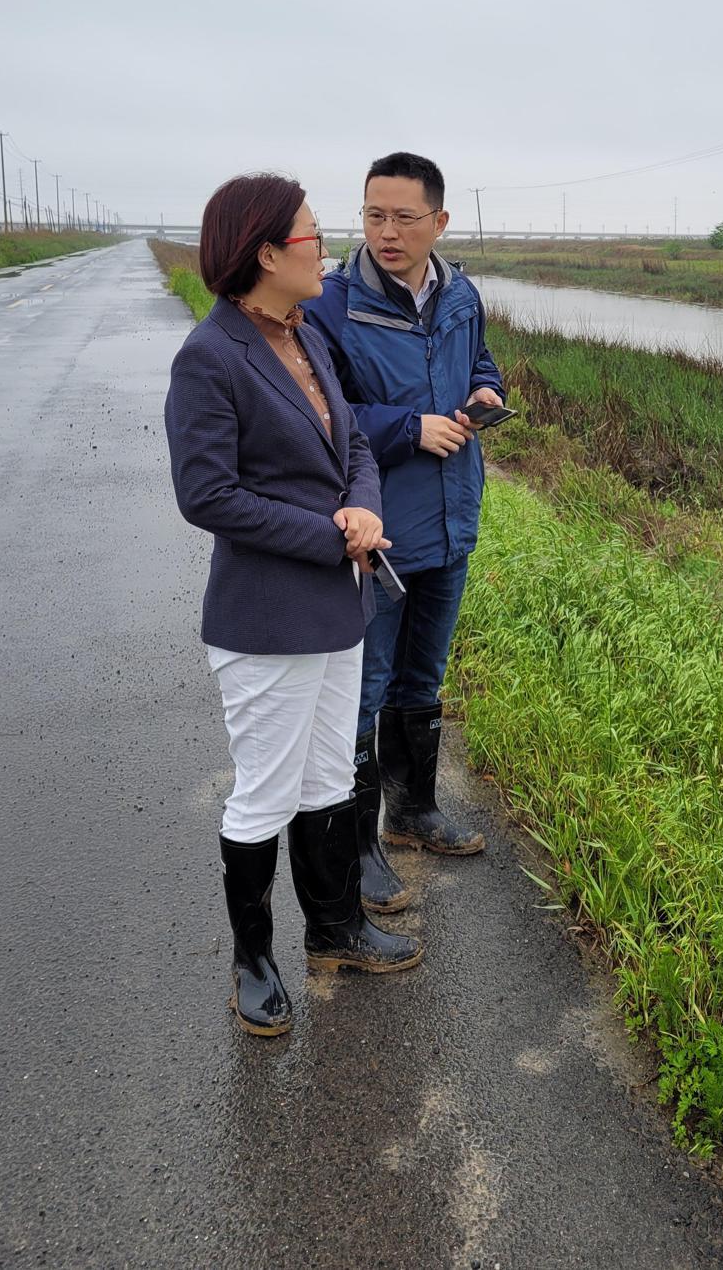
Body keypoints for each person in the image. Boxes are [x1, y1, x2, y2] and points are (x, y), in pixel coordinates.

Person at [164, 173, 422, 1039]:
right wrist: (328, 532)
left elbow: (351, 442)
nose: (331, 245)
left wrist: (365, 504)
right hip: (267, 620)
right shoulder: (211, 357)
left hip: (335, 609)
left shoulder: (300, 334)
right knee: (266, 792)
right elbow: (207, 495)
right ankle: (254, 961)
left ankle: (336, 930)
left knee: (324, 780)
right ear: (268, 252)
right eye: (315, 235)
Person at [303, 152, 504, 915]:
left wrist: (487, 389)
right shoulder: (331, 304)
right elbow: (322, 415)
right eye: (373, 215)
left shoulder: (461, 295)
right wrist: (406, 428)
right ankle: (358, 848)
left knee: (423, 682)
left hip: (452, 519)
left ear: (439, 223)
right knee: (364, 690)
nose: (385, 232)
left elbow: (481, 362)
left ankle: (414, 811)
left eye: (403, 217)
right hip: (379, 532)